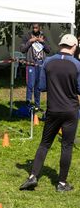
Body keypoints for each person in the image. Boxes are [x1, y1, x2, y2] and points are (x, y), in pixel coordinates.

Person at [19, 34, 80, 192]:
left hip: (53, 109)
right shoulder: (77, 65)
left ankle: (32, 177)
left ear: (60, 45)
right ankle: (61, 183)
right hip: (71, 111)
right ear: (74, 46)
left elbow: (41, 87)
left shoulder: (48, 62)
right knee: (66, 146)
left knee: (44, 144)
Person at [20, 23, 51, 110]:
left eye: (36, 28)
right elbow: (22, 49)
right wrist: (30, 41)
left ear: (40, 28)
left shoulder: (43, 36)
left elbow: (48, 50)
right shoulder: (27, 36)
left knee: (38, 85)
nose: (35, 29)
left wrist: (43, 42)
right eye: (33, 28)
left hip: (41, 64)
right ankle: (28, 104)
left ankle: (37, 105)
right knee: (30, 84)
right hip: (31, 64)